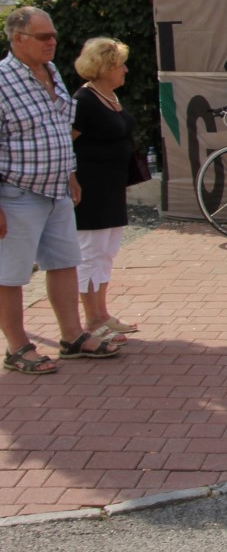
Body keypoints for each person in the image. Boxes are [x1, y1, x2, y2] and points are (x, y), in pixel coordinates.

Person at [1, 7, 121, 375]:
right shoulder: (3, 81)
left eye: (52, 34)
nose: (52, 41)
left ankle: (72, 336)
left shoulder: (50, 72)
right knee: (11, 273)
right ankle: (17, 346)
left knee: (65, 263)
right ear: (18, 39)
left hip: (55, 190)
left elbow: (57, 130)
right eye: (43, 37)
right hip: (17, 192)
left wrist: (70, 174)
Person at [71, 37, 137, 345]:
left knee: (106, 253)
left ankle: (102, 312)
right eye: (120, 64)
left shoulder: (109, 96)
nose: (125, 70)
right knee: (90, 253)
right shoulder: (83, 101)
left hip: (112, 186)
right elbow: (65, 143)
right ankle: (91, 319)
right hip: (90, 189)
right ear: (105, 67)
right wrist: (70, 178)